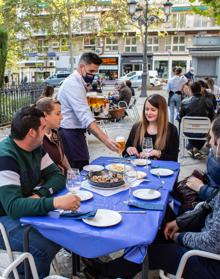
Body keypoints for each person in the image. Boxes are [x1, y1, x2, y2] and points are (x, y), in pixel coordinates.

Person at [0, 106, 80, 279]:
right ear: (31, 132)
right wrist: (54, 202)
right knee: (45, 246)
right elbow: (14, 207)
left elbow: (57, 177)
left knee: (62, 233)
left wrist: (41, 194)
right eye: (43, 128)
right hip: (3, 217)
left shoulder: (36, 147)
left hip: (22, 209)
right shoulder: (5, 157)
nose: (47, 131)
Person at [57, 52, 118, 170]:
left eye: (95, 72)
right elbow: (86, 117)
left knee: (82, 166)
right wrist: (106, 140)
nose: (93, 75)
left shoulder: (78, 82)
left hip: (75, 132)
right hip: (70, 134)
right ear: (81, 67)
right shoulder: (73, 84)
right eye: (91, 71)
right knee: (80, 170)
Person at [123, 94, 179, 161]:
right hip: (139, 170)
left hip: (160, 170)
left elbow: (174, 158)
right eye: (146, 109)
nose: (148, 113)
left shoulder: (171, 130)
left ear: (161, 111)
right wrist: (128, 149)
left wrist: (158, 153)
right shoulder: (137, 127)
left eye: (153, 110)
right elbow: (125, 152)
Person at [35, 97, 71, 175]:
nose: (62, 117)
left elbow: (62, 156)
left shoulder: (54, 132)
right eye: (58, 114)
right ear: (45, 115)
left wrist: (71, 172)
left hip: (63, 178)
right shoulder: (36, 139)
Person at [179, 81, 215, 159]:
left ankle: (191, 147)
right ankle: (195, 149)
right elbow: (212, 117)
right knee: (205, 130)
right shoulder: (208, 101)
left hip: (188, 131)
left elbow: (181, 117)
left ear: (190, 90)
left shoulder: (185, 102)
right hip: (203, 131)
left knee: (191, 128)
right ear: (200, 89)